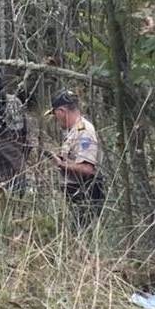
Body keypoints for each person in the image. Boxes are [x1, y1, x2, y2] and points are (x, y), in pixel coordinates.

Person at [46, 89, 104, 220]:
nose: (55, 119)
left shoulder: (84, 131)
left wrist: (61, 164)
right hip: (77, 195)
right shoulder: (74, 131)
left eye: (55, 114)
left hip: (86, 195)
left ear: (61, 111)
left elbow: (87, 169)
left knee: (84, 229)